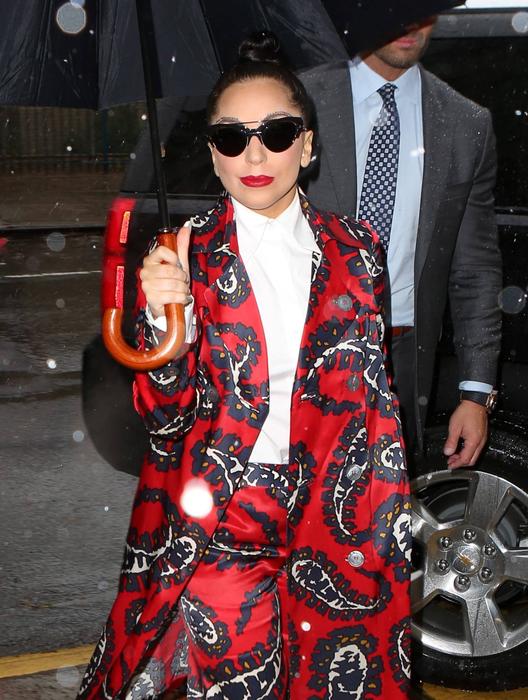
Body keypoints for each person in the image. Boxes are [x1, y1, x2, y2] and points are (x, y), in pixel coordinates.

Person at [78, 31, 411, 700]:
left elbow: (373, 396)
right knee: (239, 683)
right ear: (213, 155)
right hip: (224, 514)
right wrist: (164, 322)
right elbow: (164, 418)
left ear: (307, 146)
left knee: (335, 681)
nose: (254, 155)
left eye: (277, 133)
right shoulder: (183, 256)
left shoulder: (358, 249)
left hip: (337, 514)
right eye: (231, 138)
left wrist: (388, 504)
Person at [300, 16, 502, 469]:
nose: (411, 21)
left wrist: (475, 393)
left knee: (388, 502)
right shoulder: (298, 101)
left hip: (403, 355)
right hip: (300, 349)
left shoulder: (465, 123)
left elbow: (475, 268)